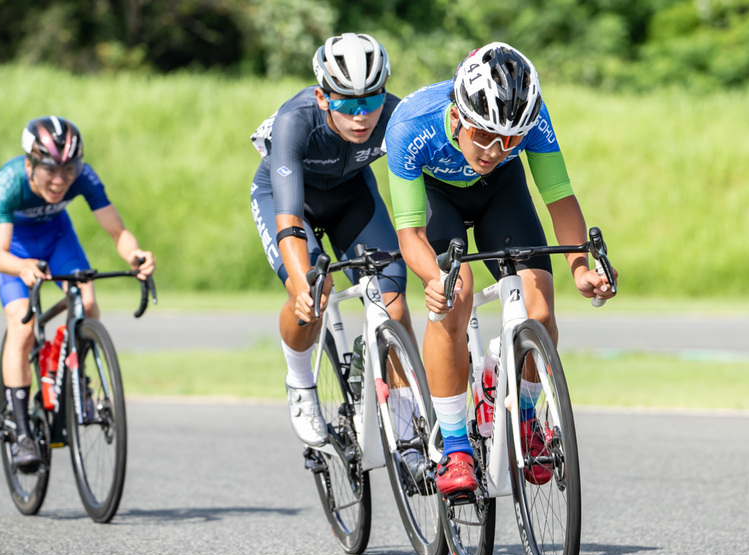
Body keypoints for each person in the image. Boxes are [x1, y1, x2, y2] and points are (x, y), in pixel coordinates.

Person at [385, 42, 617, 496]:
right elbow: (410, 236)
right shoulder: (411, 125)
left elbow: (559, 198)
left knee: (541, 313)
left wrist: (579, 269)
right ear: (458, 116)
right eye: (486, 135)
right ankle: (454, 448)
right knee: (456, 294)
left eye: (510, 140)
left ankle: (525, 416)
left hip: (501, 194)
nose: (495, 148)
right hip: (438, 198)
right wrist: (435, 280)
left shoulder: (528, 123)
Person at [248, 33, 420, 456]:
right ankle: (300, 382)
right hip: (289, 200)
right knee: (312, 290)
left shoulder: (396, 116)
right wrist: (300, 279)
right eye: (345, 102)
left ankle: (404, 425)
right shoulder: (296, 120)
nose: (360, 116)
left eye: (370, 100)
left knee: (393, 301)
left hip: (351, 197)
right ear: (324, 97)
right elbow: (287, 222)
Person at [0, 115, 156, 471]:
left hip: (57, 238)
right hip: (15, 252)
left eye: (68, 170)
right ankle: (21, 434)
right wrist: (22, 267)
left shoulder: (84, 177)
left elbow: (117, 230)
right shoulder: (7, 183)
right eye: (50, 169)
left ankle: (78, 381)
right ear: (30, 163)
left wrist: (134, 255)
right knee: (21, 327)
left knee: (88, 301)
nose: (60, 180)